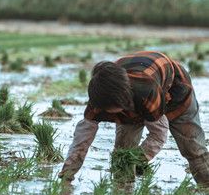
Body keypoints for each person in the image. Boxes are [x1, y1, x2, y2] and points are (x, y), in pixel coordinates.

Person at [59, 51, 209, 187]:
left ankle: (206, 185)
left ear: (124, 99)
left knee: (193, 147)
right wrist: (67, 174)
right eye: (108, 110)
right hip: (134, 90)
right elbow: (81, 140)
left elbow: (159, 134)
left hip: (175, 89)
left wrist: (137, 158)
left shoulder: (146, 91)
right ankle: (123, 193)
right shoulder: (99, 98)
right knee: (123, 150)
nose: (110, 114)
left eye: (114, 109)